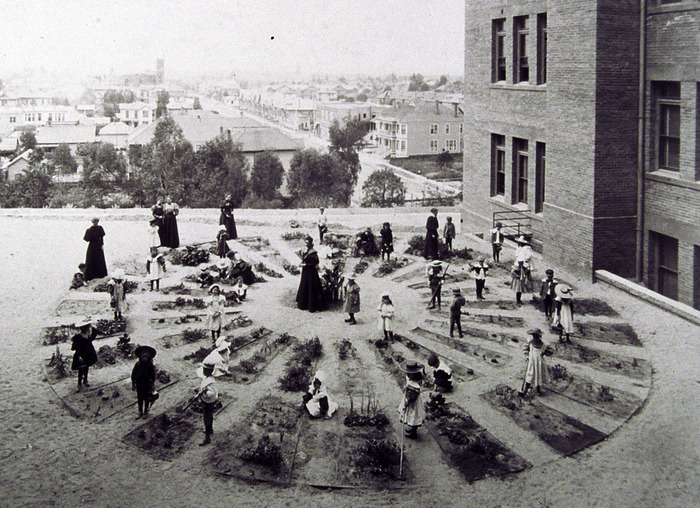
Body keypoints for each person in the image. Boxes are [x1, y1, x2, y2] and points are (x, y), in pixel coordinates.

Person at [296, 236, 325, 312]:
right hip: (305, 272)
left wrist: (305, 265)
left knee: (312, 287)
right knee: (305, 285)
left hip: (311, 272)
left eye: (308, 242)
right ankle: (304, 304)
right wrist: (302, 262)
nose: (306, 244)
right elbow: (304, 258)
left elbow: (315, 262)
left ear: (311, 243)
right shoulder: (305, 250)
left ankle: (312, 305)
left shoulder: (313, 252)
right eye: (305, 242)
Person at [398, 361, 426, 439]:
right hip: (408, 397)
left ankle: (414, 432)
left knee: (414, 416)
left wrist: (408, 401)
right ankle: (412, 430)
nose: (407, 374)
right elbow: (407, 384)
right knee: (411, 416)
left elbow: (413, 397)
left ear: (414, 374)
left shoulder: (415, 385)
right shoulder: (409, 378)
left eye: (409, 373)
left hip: (413, 402)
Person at [520, 328, 551, 397]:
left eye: (536, 336)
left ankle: (538, 390)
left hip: (539, 363)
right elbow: (525, 349)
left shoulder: (543, 345)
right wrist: (527, 356)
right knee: (530, 374)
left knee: (538, 375)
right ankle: (525, 391)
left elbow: (549, 351)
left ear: (539, 336)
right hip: (531, 362)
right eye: (534, 335)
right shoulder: (530, 343)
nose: (535, 337)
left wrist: (544, 353)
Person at [71, 317, 98, 393]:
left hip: (88, 354)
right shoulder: (77, 337)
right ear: (82, 329)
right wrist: (79, 355)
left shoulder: (88, 336)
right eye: (86, 327)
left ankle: (85, 380)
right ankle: (79, 384)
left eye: (88, 327)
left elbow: (95, 334)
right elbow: (73, 348)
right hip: (81, 356)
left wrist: (92, 326)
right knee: (81, 369)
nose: (88, 329)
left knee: (86, 368)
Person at [195, 360, 219, 446]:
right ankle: (210, 430)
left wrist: (204, 393)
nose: (203, 371)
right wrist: (200, 390)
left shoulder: (211, 382)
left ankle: (207, 438)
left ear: (209, 371)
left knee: (207, 418)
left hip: (208, 402)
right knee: (209, 415)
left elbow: (212, 393)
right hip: (207, 401)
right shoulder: (208, 379)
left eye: (205, 369)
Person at [131, 345, 157, 419]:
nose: (144, 359)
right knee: (140, 398)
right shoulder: (138, 364)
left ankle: (146, 411)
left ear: (149, 357)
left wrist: (152, 384)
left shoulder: (150, 365)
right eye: (143, 357)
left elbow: (153, 375)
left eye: (146, 357)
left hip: (147, 384)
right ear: (140, 357)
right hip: (139, 384)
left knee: (146, 398)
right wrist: (133, 383)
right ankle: (140, 412)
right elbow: (133, 374)